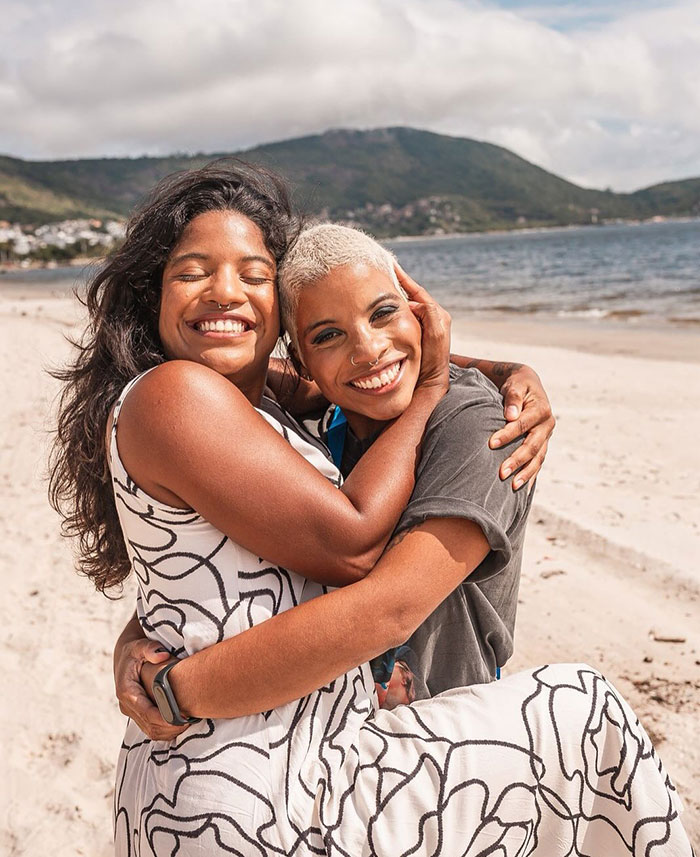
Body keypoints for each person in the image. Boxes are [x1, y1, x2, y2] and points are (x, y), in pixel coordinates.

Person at [50, 162, 692, 856]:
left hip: (226, 780)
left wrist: (500, 371)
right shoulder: (180, 393)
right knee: (588, 711)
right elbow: (354, 543)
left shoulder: (258, 397)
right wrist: (435, 382)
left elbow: (354, 355)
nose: (225, 291)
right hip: (259, 786)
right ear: (154, 293)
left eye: (253, 273)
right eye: (193, 271)